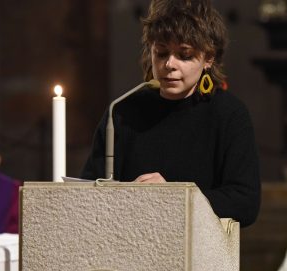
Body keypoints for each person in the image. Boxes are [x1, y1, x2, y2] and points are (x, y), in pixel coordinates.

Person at [80, 0, 260, 227]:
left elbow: (245, 202)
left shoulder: (228, 114)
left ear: (208, 58)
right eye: (161, 53)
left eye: (184, 55)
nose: (169, 64)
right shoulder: (122, 111)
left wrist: (174, 196)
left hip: (199, 253)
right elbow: (89, 189)